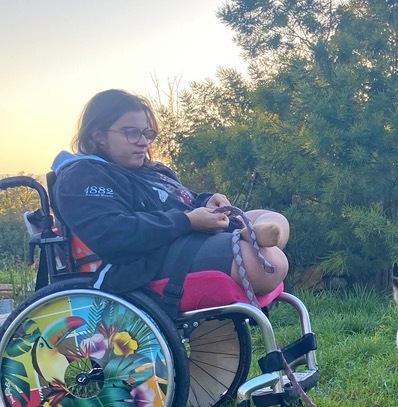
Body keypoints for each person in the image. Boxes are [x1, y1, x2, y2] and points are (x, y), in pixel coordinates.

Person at [51, 89, 289, 301]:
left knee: (272, 216)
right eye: (131, 133)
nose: (143, 142)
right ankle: (251, 238)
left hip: (187, 241)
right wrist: (187, 221)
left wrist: (206, 201)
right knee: (268, 265)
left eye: (147, 133)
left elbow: (182, 200)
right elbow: (113, 233)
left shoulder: (152, 171)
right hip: (142, 262)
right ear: (98, 136)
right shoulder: (82, 175)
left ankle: (250, 235)